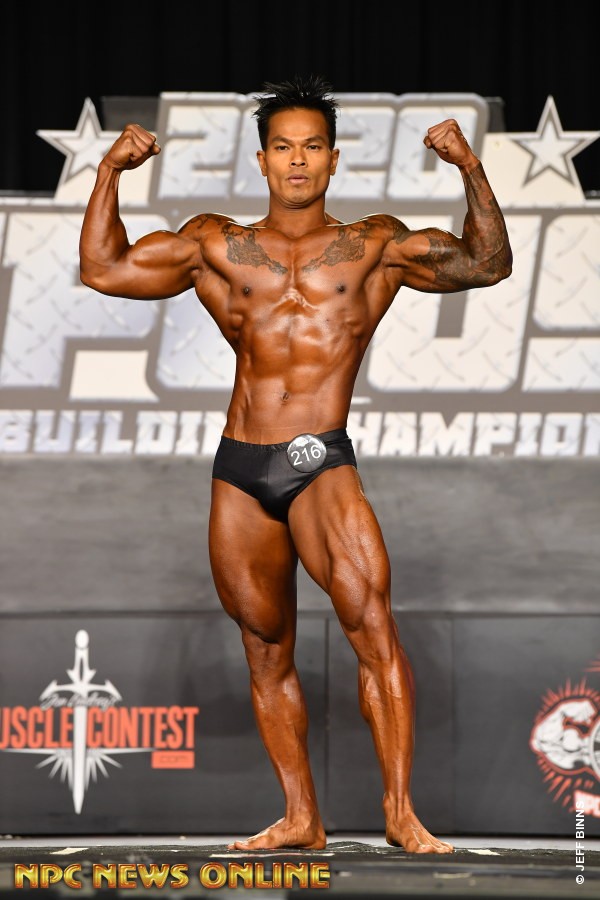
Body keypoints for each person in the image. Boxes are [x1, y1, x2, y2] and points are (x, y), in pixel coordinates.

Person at [79, 76, 512, 854]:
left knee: (371, 626)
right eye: (284, 147)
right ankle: (300, 816)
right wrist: (109, 172)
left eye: (313, 146)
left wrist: (469, 168)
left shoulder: (374, 245)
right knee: (265, 647)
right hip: (240, 465)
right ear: (263, 160)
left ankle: (401, 813)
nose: (299, 160)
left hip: (317, 456)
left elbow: (487, 263)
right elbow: (104, 269)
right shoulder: (216, 244)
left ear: (334, 159)